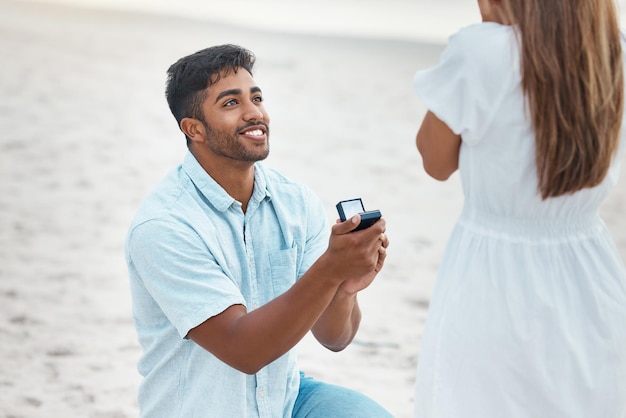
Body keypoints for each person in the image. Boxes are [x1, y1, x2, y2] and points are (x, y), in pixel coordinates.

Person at [124, 44, 392, 418]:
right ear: (194, 129)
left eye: (257, 97)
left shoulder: (295, 202)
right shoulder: (165, 226)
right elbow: (244, 351)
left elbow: (336, 337)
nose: (254, 113)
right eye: (231, 103)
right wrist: (329, 269)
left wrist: (344, 287)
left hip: (284, 402)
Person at [411, 0, 626, 417]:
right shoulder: (612, 48)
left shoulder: (483, 52)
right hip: (593, 272)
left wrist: (491, 26)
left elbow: (435, 162)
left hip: (495, 279)